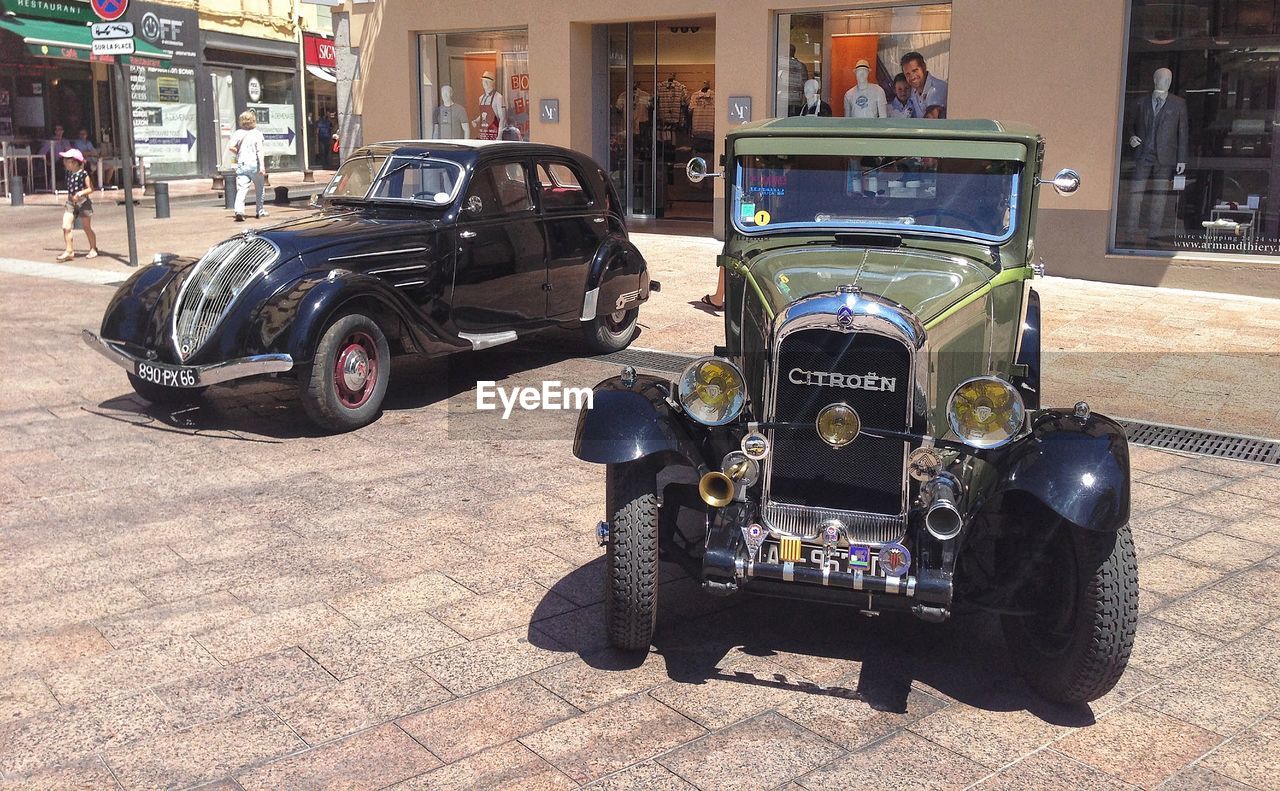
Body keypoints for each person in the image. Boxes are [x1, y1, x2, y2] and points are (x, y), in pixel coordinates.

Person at [56, 149, 97, 261]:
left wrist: (80, 193)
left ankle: (93, 248)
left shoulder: (84, 174)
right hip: (71, 203)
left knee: (86, 227)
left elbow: (90, 189)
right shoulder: (68, 173)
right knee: (66, 226)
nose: (64, 162)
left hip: (83, 203)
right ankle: (69, 251)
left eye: (67, 160)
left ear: (74, 162)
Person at [228, 110, 268, 222]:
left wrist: (239, 152)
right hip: (255, 164)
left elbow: (231, 147)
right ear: (253, 120)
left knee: (241, 189)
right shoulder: (257, 134)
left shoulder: (238, 133)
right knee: (260, 188)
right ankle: (259, 211)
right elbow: (260, 151)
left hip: (242, 164)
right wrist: (262, 167)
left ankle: (239, 211)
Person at [901, 52, 948, 119]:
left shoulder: (938, 88)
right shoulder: (912, 91)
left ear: (924, 67)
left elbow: (931, 120)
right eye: (907, 74)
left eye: (915, 71)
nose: (912, 77)